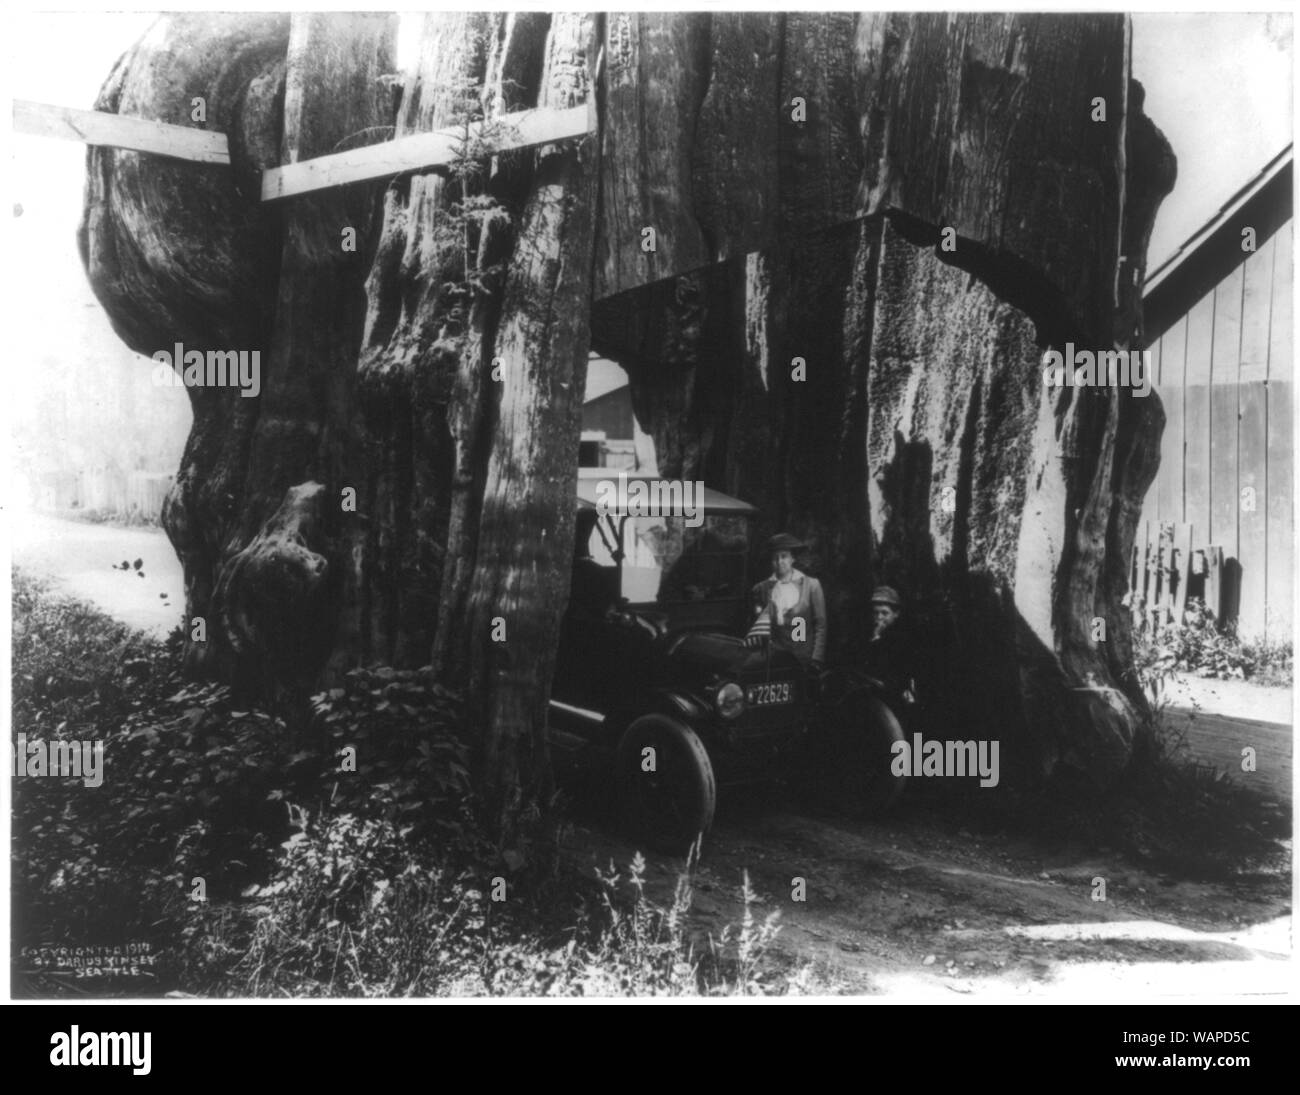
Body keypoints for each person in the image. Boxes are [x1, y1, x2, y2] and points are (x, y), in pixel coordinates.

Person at [743, 533, 827, 670]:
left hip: (803, 659)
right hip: (774, 660)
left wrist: (817, 658)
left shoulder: (811, 586)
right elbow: (757, 625)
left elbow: (820, 625)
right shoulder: (761, 589)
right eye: (775, 558)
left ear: (792, 559)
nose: (779, 561)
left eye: (784, 556)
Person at [862, 585, 913, 700]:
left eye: (885, 613)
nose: (879, 617)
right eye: (875, 613)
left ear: (896, 614)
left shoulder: (902, 639)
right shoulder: (867, 635)